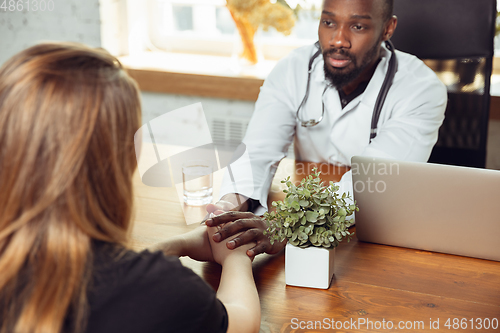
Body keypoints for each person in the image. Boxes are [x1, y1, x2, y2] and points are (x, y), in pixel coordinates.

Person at [0, 43, 260, 333]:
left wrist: (179, 244)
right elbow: (240, 321)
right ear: (118, 163)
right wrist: (236, 255)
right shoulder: (158, 290)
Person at [205, 0, 447, 257]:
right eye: (328, 22)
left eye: (357, 26)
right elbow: (257, 151)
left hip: (376, 236)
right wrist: (230, 204)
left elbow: (373, 180)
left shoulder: (421, 89)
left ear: (388, 29)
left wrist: (285, 226)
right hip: (305, 216)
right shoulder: (293, 69)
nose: (338, 40)